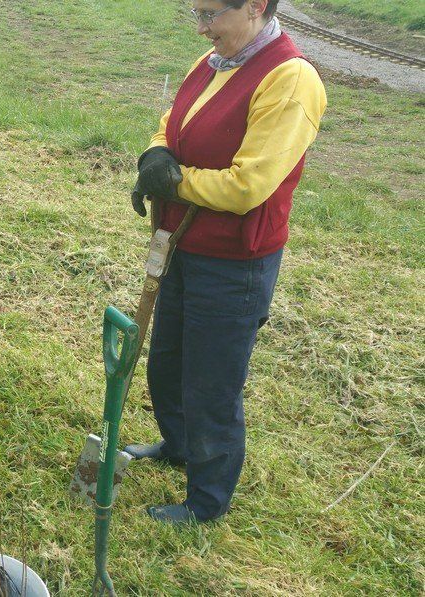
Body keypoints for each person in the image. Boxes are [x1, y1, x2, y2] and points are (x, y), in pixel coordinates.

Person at [127, 0, 326, 524]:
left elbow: (247, 187)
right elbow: (173, 124)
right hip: (183, 244)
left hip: (235, 262)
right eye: (196, 12)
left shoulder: (291, 80)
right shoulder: (213, 62)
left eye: (211, 14)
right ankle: (178, 446)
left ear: (256, 6)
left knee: (211, 382)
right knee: (169, 361)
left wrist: (175, 183)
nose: (202, 27)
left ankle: (206, 501)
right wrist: (155, 156)